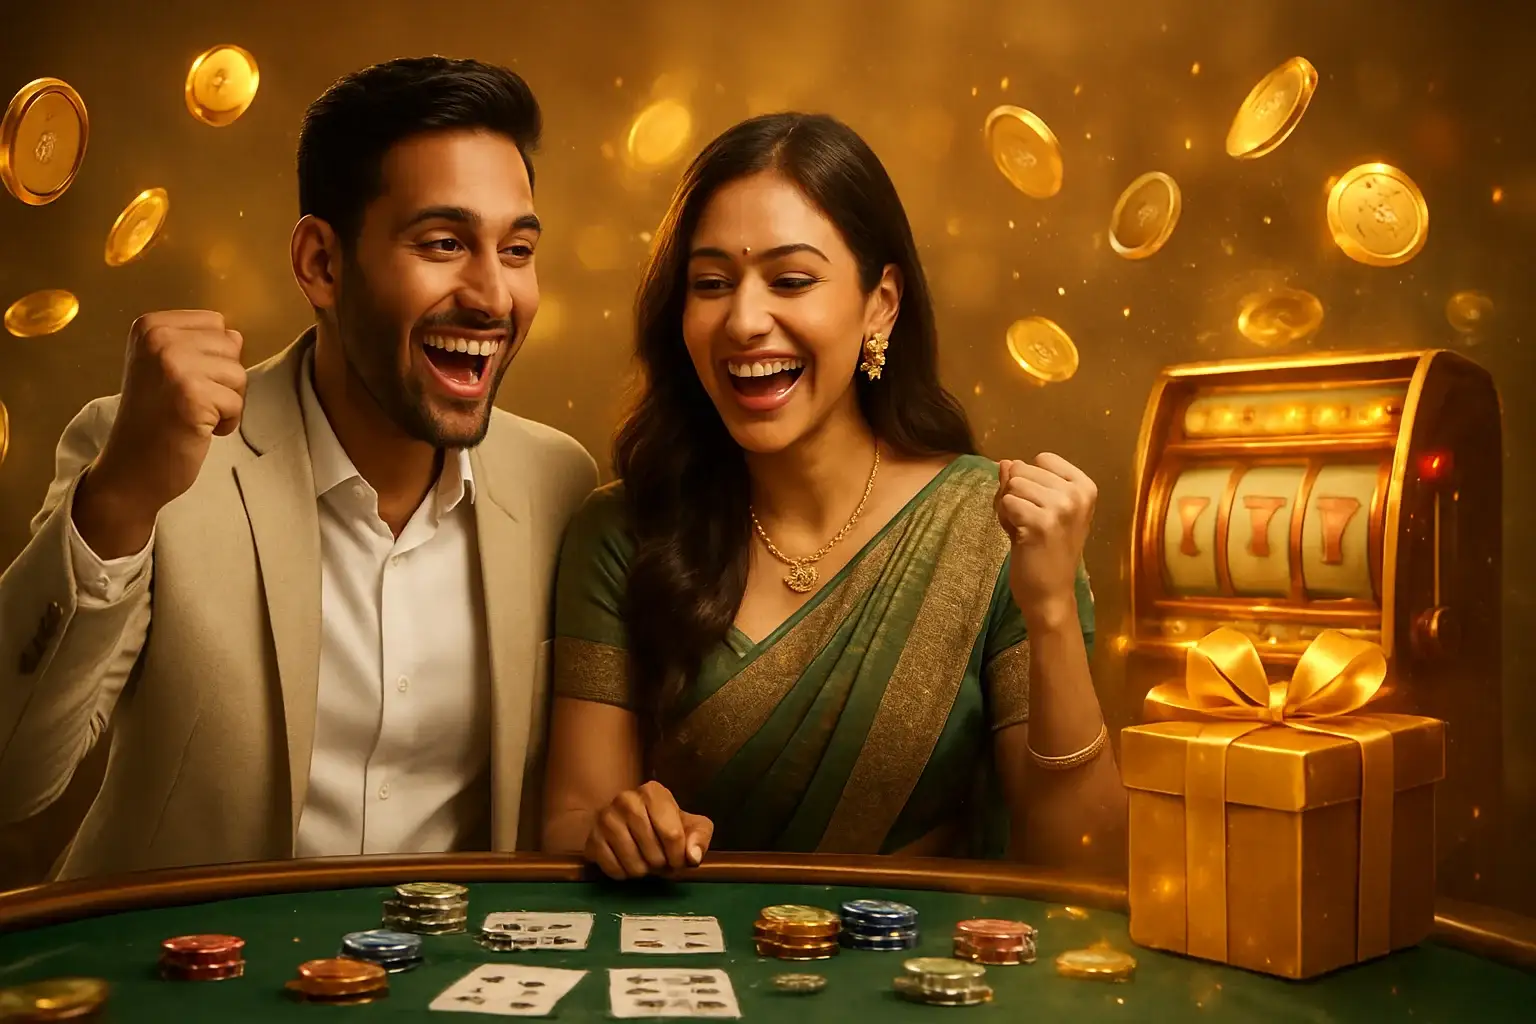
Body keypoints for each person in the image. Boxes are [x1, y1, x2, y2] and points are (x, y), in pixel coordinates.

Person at [0, 57, 596, 879]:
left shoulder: (559, 485)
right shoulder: (147, 456)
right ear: (320, 262)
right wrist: (123, 497)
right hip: (185, 990)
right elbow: (14, 782)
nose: (493, 295)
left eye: (518, 249)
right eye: (444, 243)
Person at [541, 112, 1126, 880]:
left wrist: (1049, 607)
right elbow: (569, 823)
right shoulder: (624, 530)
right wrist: (615, 831)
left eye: (791, 280)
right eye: (711, 284)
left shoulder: (995, 530)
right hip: (684, 978)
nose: (745, 321)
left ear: (881, 304)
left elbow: (1081, 864)